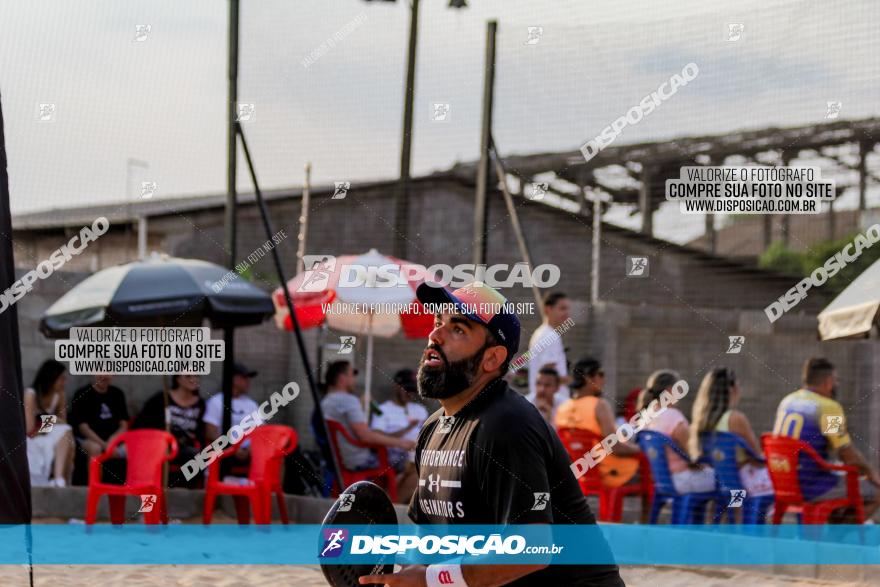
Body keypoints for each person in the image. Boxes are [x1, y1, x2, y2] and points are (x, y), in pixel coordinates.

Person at [361, 282, 623, 587]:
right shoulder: (433, 429)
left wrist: (433, 579)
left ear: (492, 359)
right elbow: (428, 544)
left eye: (457, 329)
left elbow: (532, 549)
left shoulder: (507, 424)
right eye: (437, 323)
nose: (435, 335)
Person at [773, 357, 880, 522]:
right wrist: (872, 473)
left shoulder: (787, 402)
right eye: (836, 380)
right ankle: (839, 535)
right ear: (829, 382)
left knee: (839, 483)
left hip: (782, 483)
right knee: (876, 491)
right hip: (812, 486)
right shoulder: (828, 407)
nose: (836, 385)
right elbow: (847, 455)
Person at [319, 360, 415, 502]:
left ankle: (383, 500)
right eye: (352, 374)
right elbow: (364, 436)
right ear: (342, 378)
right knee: (411, 465)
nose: (354, 380)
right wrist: (400, 443)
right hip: (360, 459)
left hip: (342, 458)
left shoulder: (326, 401)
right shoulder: (348, 401)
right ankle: (389, 505)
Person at [555, 357, 641, 489]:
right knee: (649, 467)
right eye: (600, 374)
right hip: (607, 471)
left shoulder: (562, 408)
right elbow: (615, 447)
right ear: (589, 378)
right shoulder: (599, 405)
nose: (603, 379)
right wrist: (639, 449)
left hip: (578, 472)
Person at [688, 367, 773, 497]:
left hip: (720, 482)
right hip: (742, 483)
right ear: (731, 390)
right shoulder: (735, 418)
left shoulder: (702, 420)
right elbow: (757, 456)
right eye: (738, 385)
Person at [641, 369, 715, 494]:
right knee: (730, 480)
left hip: (658, 481)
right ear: (670, 390)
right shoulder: (674, 417)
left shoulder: (645, 416)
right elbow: (693, 457)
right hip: (681, 479)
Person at [133, 373, 205, 487]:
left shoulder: (200, 404)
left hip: (184, 446)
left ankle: (180, 489)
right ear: (178, 379)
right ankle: (158, 488)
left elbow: (201, 431)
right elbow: (142, 422)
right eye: (188, 376)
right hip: (161, 444)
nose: (193, 379)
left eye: (196, 376)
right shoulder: (163, 399)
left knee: (198, 457)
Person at [370, 368, 428, 500]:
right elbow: (376, 437)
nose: (410, 393)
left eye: (413, 390)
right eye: (406, 389)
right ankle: (393, 506)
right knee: (418, 474)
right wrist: (407, 428)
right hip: (394, 457)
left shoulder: (420, 409)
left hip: (418, 455)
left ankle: (394, 505)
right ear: (396, 387)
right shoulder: (383, 410)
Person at [203, 362, 264, 469]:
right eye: (244, 378)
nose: (248, 382)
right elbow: (210, 432)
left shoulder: (252, 404)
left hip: (251, 450)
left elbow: (261, 430)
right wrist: (233, 449)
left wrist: (252, 447)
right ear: (233, 379)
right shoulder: (216, 401)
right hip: (225, 449)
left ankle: (271, 485)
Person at [23, 359, 74, 487]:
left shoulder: (60, 395)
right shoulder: (31, 395)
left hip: (47, 433)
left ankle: (59, 480)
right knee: (65, 435)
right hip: (31, 438)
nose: (65, 383)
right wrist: (53, 420)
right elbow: (29, 430)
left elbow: (64, 423)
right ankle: (58, 479)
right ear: (51, 378)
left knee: (68, 435)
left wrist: (52, 421)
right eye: (62, 379)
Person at [527, 291, 572, 407]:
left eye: (567, 309)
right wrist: (578, 382)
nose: (567, 313)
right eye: (562, 308)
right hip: (549, 404)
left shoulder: (545, 333)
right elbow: (548, 375)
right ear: (548, 310)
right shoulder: (549, 335)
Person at [69, 373, 129, 458]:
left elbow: (124, 425)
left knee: (136, 447)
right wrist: (105, 446)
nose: (104, 375)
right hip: (90, 439)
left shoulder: (117, 393)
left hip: (113, 439)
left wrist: (113, 440)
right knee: (95, 448)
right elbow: (84, 429)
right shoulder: (82, 394)